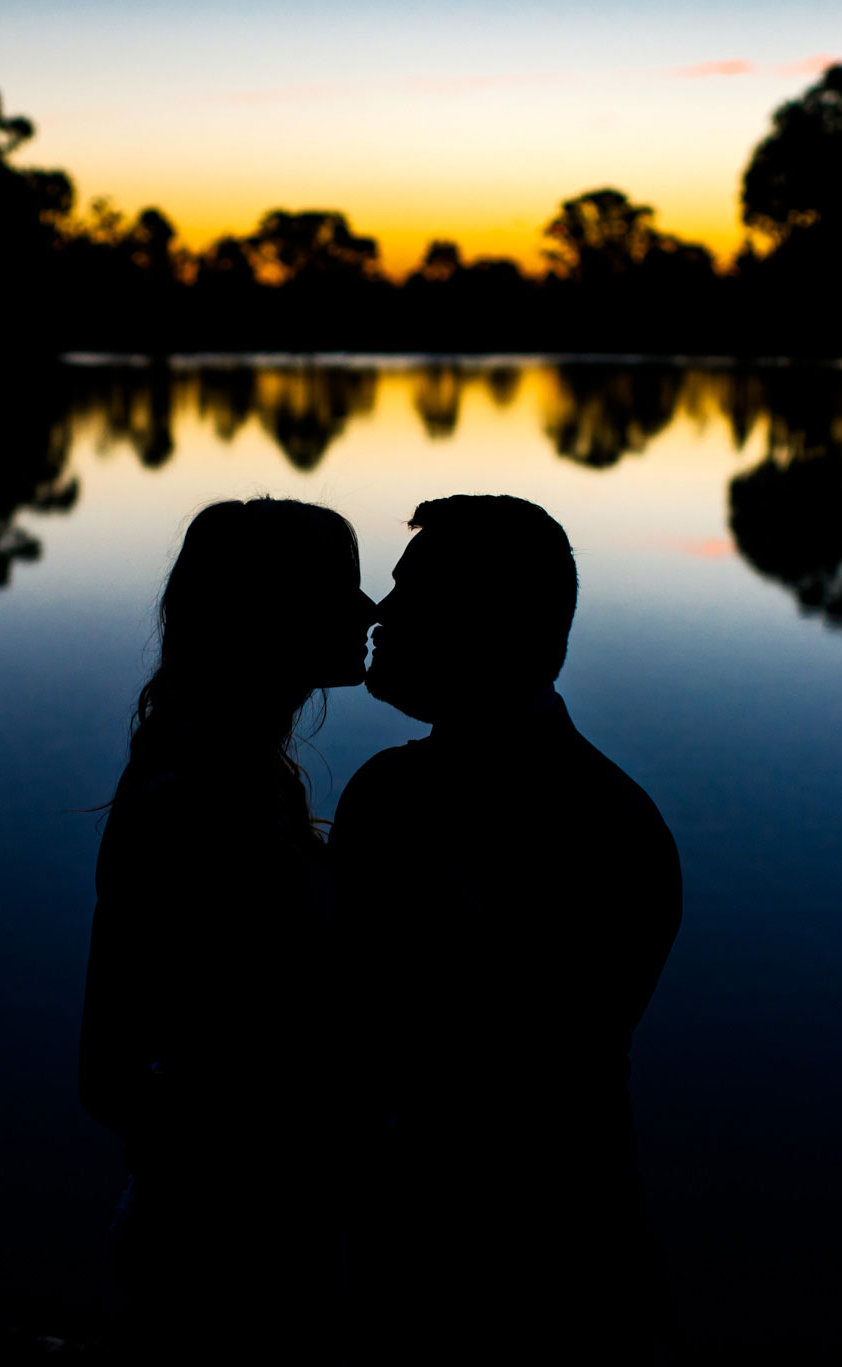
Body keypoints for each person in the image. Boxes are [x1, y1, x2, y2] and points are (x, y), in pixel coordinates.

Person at [330, 494, 683, 1362]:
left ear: (488, 625)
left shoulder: (602, 831)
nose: (381, 609)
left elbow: (518, 1068)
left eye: (413, 594)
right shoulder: (617, 816)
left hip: (534, 1276)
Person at [79, 497, 375, 1362]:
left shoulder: (252, 785)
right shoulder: (198, 804)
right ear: (268, 615)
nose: (370, 612)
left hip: (235, 1228)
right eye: (340, 590)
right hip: (221, 1256)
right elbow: (109, 1071)